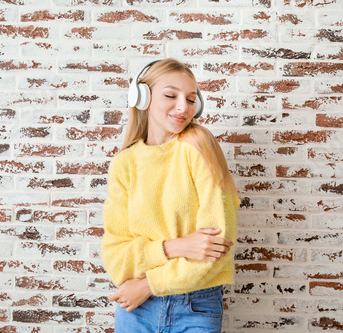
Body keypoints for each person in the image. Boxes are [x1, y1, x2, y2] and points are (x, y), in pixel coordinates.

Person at [101, 58, 240, 333]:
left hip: (195, 306)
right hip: (136, 310)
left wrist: (148, 284)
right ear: (142, 98)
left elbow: (216, 246)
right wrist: (174, 247)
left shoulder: (199, 147)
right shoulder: (125, 163)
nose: (183, 107)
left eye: (191, 99)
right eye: (170, 95)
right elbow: (116, 258)